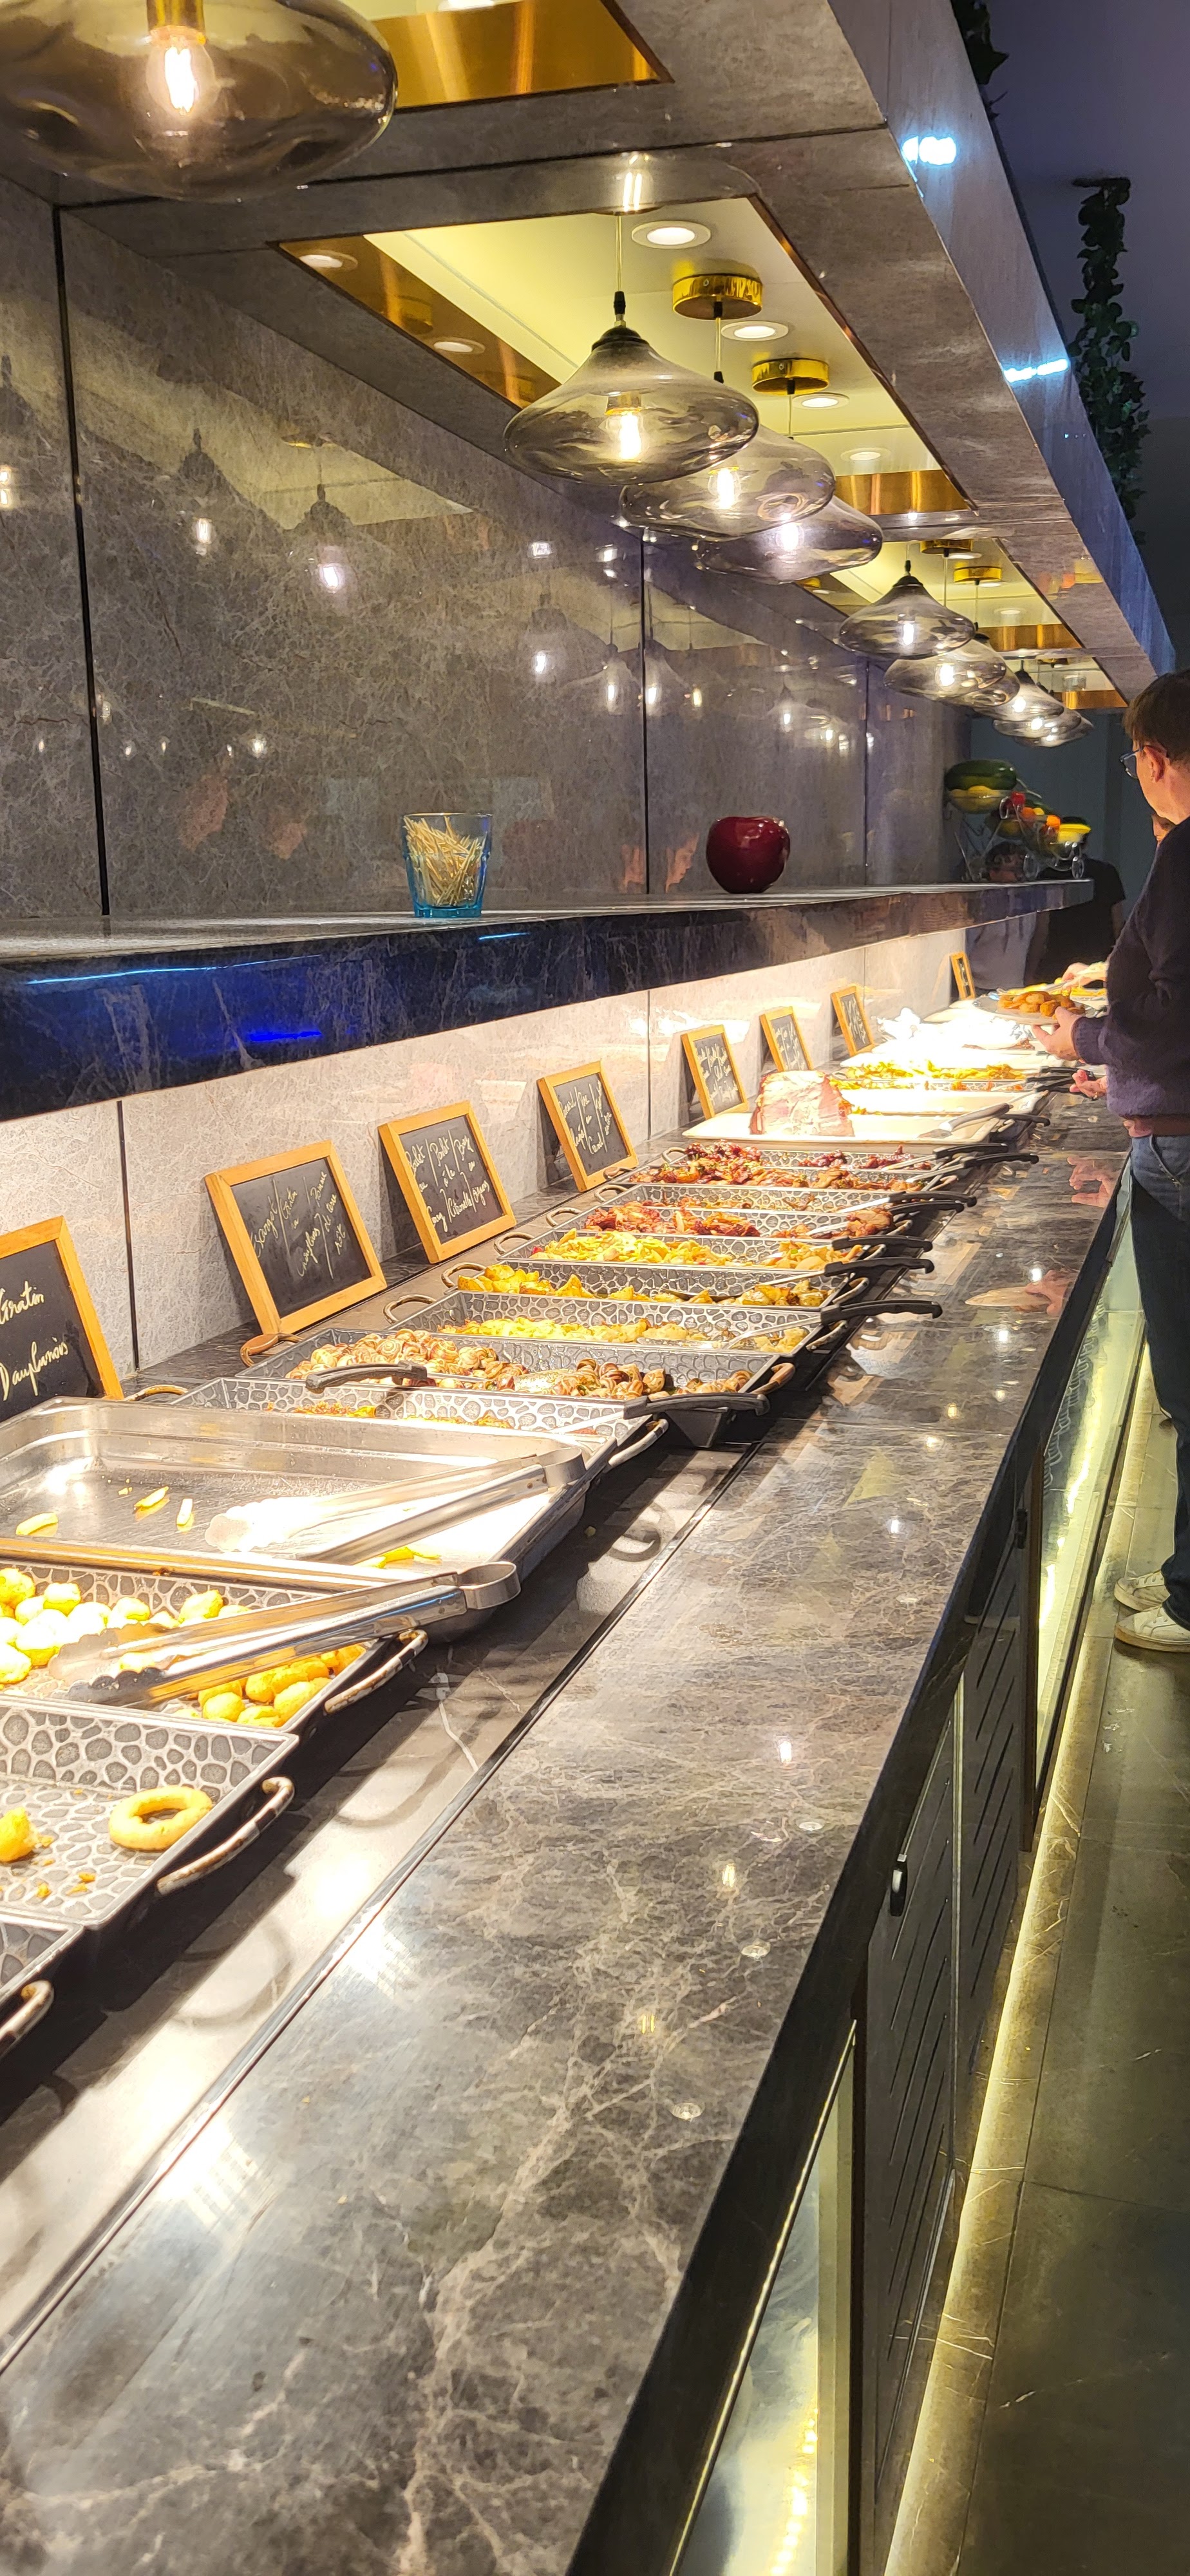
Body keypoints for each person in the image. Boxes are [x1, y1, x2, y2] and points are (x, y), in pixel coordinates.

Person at [1037, 674, 1190, 1651]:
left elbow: (1174, 1012)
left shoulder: (1188, 851)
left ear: (1153, 758)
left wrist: (1085, 1039)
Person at [1030, 848, 1126, 982]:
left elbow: (1041, 932)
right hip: (1097, 966)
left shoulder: (1047, 877)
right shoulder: (1106, 872)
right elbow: (1119, 927)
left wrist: (1030, 973)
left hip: (1058, 965)